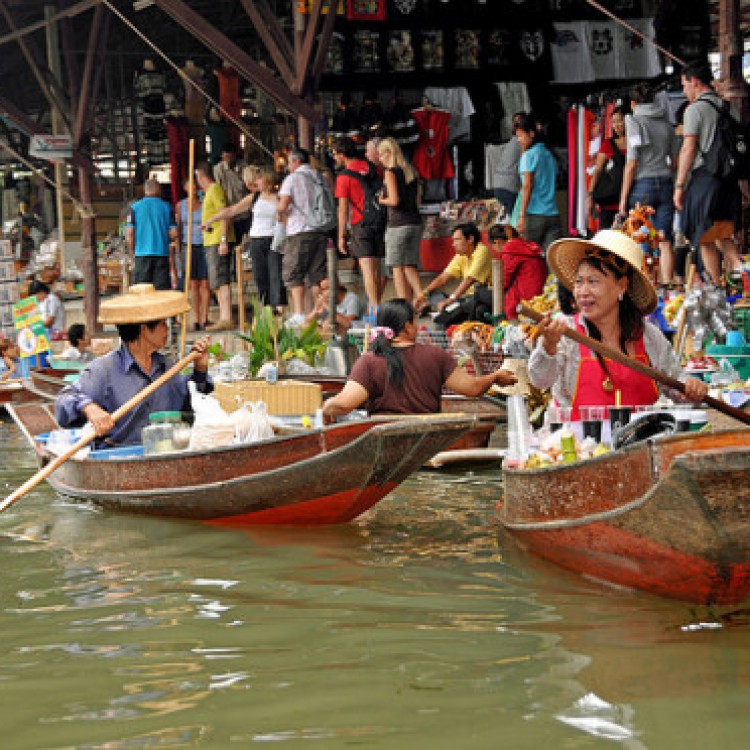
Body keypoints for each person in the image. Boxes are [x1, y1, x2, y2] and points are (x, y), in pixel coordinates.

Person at [528, 230, 708, 419]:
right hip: (579, 444)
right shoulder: (566, 332)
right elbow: (540, 380)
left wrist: (691, 388)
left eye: (593, 281)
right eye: (579, 282)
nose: (582, 292)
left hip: (638, 443)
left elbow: (676, 384)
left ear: (621, 286)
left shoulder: (648, 336)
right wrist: (548, 347)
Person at [55, 284, 211, 448]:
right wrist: (90, 408)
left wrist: (200, 370)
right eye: (163, 324)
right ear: (144, 330)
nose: (167, 330)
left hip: (163, 455)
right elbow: (63, 402)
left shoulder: (167, 366)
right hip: (117, 458)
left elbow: (193, 406)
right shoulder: (104, 370)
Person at [321, 298, 517, 422]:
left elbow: (344, 405)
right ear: (407, 326)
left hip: (386, 442)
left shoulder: (368, 362)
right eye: (415, 321)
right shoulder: (435, 355)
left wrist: (325, 408)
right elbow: (473, 388)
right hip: (426, 441)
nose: (417, 326)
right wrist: (494, 377)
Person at [674, 60, 743, 284]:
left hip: (706, 180)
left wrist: (679, 185)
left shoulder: (694, 110)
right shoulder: (727, 106)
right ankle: (743, 280)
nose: (684, 91)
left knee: (703, 237)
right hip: (729, 180)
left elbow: (689, 148)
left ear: (695, 82)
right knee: (723, 235)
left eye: (685, 85)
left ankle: (714, 289)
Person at [206, 168, 287, 312]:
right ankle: (266, 308)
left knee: (275, 274)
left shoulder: (279, 198)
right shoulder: (254, 197)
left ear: (267, 181)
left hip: (273, 239)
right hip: (256, 239)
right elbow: (232, 210)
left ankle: (280, 308)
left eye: (259, 179)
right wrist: (211, 220)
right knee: (260, 275)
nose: (256, 182)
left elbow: (285, 218)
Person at [618, 85, 676, 284]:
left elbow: (632, 162)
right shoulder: (667, 123)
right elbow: (675, 159)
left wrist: (622, 201)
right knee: (665, 239)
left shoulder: (633, 120)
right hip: (667, 182)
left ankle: (646, 286)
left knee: (641, 240)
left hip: (644, 186)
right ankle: (668, 286)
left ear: (633, 103)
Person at [333, 137, 386, 313]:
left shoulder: (343, 177)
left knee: (367, 269)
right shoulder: (373, 168)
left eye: (335, 154)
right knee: (377, 269)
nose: (334, 158)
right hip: (379, 220)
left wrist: (341, 235)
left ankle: (374, 310)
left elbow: (343, 209)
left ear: (342, 155)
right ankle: (377, 304)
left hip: (361, 223)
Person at [276, 147, 329, 317]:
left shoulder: (292, 179)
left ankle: (299, 313)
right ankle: (320, 310)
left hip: (299, 230)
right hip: (320, 229)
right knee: (317, 274)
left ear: (296, 161)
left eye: (290, 162)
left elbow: (283, 204)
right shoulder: (320, 177)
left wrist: (279, 214)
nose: (288, 166)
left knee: (294, 272)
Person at [377, 136, 424, 304]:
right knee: (409, 264)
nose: (380, 159)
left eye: (381, 155)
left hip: (398, 224)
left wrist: (381, 200)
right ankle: (421, 298)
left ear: (388, 153)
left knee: (396, 266)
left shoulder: (390, 172)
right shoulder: (410, 170)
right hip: (414, 222)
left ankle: (403, 303)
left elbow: (394, 201)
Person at [417, 222, 492, 328]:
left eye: (457, 240)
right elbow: (443, 278)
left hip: (476, 299)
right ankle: (443, 308)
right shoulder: (461, 255)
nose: (453, 244)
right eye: (453, 240)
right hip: (461, 298)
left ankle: (445, 310)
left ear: (470, 239)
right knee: (432, 294)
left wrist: (450, 299)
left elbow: (469, 280)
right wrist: (422, 295)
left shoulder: (482, 251)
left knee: (442, 319)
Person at [514, 112, 561, 251]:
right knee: (552, 258)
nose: (519, 140)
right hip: (552, 213)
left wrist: (521, 215)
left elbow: (527, 185)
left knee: (530, 257)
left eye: (521, 136)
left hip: (534, 214)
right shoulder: (548, 153)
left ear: (531, 134)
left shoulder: (529, 156)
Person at [196, 160, 235, 331]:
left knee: (221, 278)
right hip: (211, 240)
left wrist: (224, 239)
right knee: (217, 281)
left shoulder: (215, 189)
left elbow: (225, 213)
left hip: (218, 240)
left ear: (200, 176)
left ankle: (226, 317)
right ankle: (223, 316)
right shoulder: (209, 192)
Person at [125, 179, 177, 291]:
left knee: (141, 290)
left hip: (141, 254)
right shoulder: (167, 207)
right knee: (161, 291)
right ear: (157, 189)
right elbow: (174, 233)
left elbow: (130, 233)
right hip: (161, 254)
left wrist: (132, 252)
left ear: (145, 190)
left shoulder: (134, 208)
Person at [488, 223, 546, 321]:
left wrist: (493, 285)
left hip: (528, 294)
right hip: (540, 290)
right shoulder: (524, 244)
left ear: (497, 242)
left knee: (480, 295)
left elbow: (505, 279)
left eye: (492, 246)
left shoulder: (509, 249)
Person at [176, 178, 210, 331]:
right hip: (187, 246)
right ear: (185, 187)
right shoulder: (180, 206)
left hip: (203, 245)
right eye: (190, 184)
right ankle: (196, 318)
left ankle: (205, 318)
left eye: (196, 185)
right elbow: (177, 228)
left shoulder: (204, 203)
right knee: (193, 284)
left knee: (205, 283)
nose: (194, 187)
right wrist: (177, 247)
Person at [587, 106, 626, 231]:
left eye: (620, 121)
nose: (616, 126)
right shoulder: (607, 145)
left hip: (628, 202)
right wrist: (590, 195)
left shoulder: (634, 142)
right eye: (613, 122)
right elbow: (597, 171)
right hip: (609, 202)